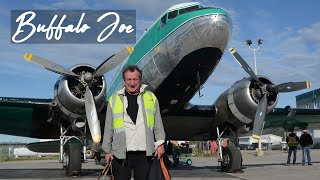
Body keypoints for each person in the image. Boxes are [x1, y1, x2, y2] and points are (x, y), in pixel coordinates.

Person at [102, 65, 166, 180]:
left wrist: (160, 144)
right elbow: (108, 128)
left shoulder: (151, 97)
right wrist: (107, 151)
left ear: (140, 80)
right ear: (124, 80)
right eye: (129, 79)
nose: (132, 83)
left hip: (144, 154)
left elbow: (158, 124)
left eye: (135, 79)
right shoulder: (114, 99)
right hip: (121, 154)